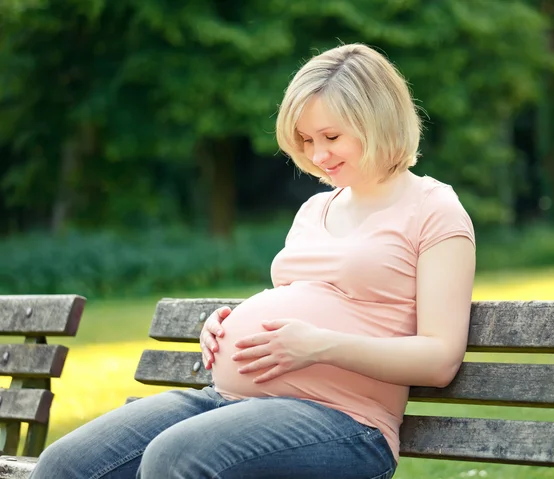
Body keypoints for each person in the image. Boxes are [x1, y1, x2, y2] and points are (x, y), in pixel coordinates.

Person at [30, 43, 476, 479]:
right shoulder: (315, 210)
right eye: (306, 140)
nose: (317, 155)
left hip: (346, 424)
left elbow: (439, 359)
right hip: (229, 400)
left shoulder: (433, 210)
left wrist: (319, 345)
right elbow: (301, 299)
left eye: (331, 137)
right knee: (63, 465)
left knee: (176, 458)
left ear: (378, 119)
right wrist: (228, 324)